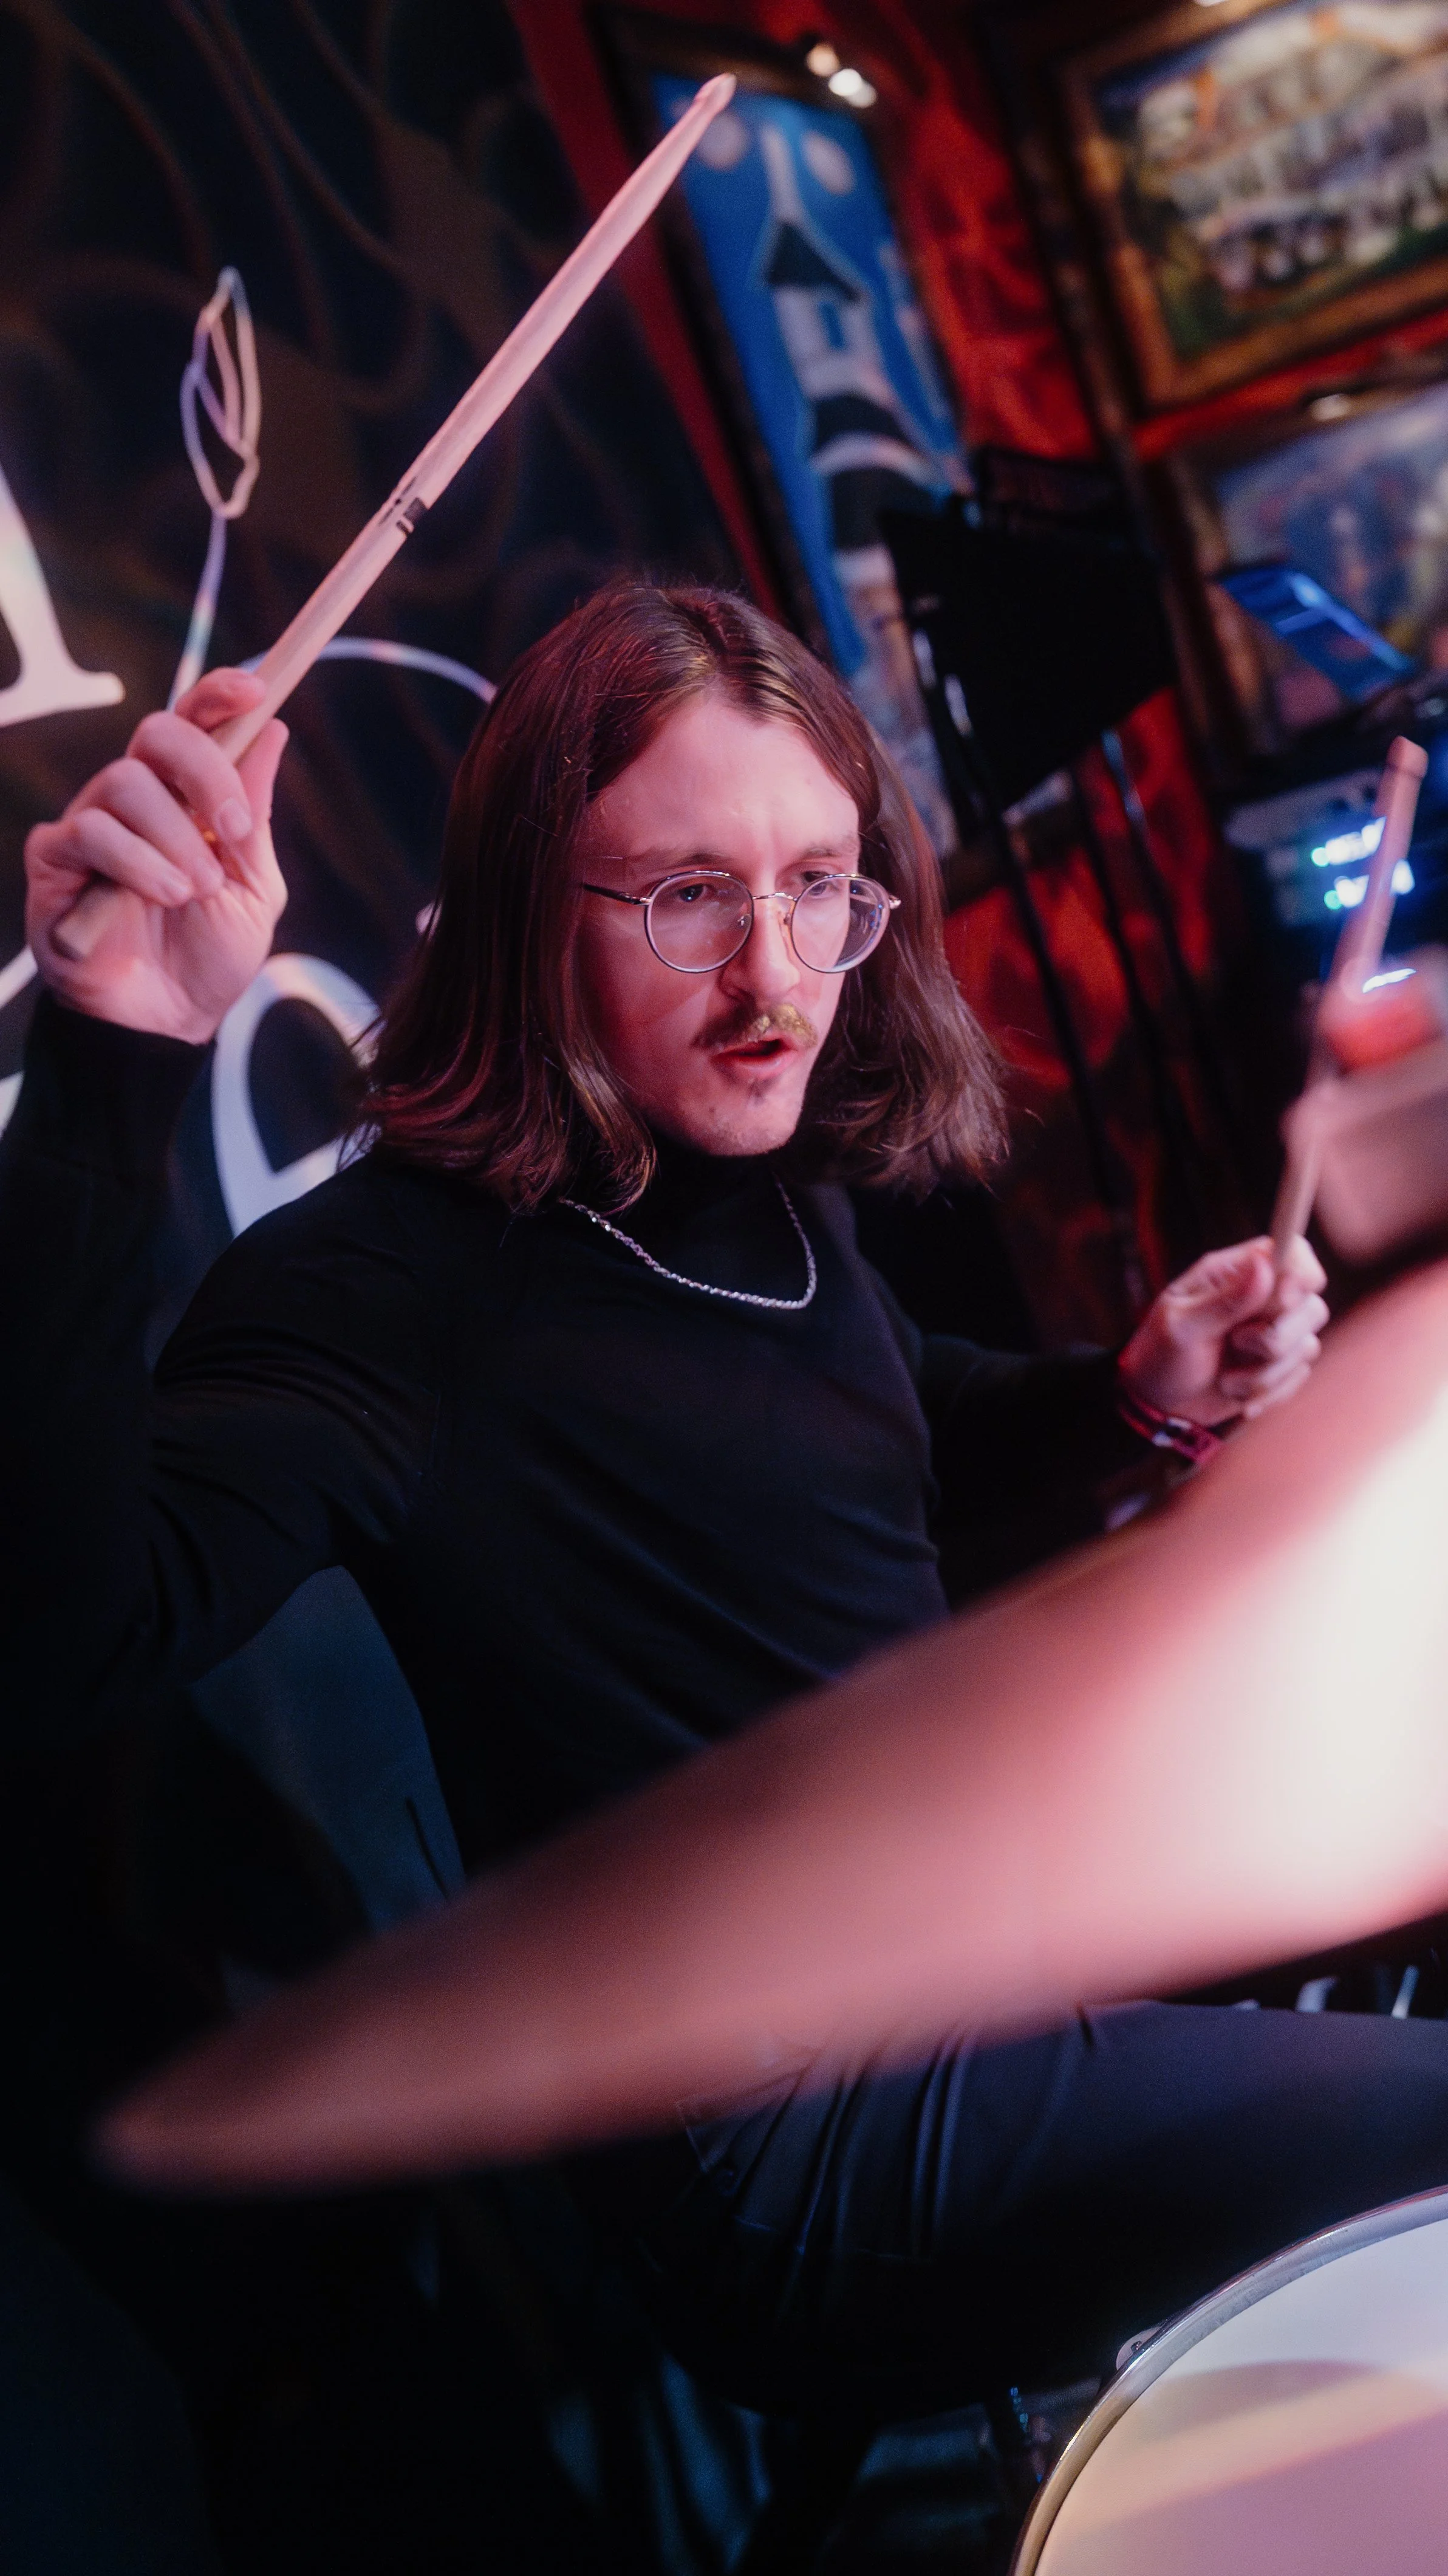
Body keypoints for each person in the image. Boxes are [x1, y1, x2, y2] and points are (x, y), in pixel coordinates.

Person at [7, 583, 1447, 2425]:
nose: (777, 978)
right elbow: (64, 1634)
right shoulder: (378, 1295)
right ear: (537, 911)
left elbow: (879, 1425)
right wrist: (114, 1057)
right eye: (690, 894)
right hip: (800, 2154)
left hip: (975, 1945)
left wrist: (1132, 1397)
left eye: (821, 885)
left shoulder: (751, 1184)